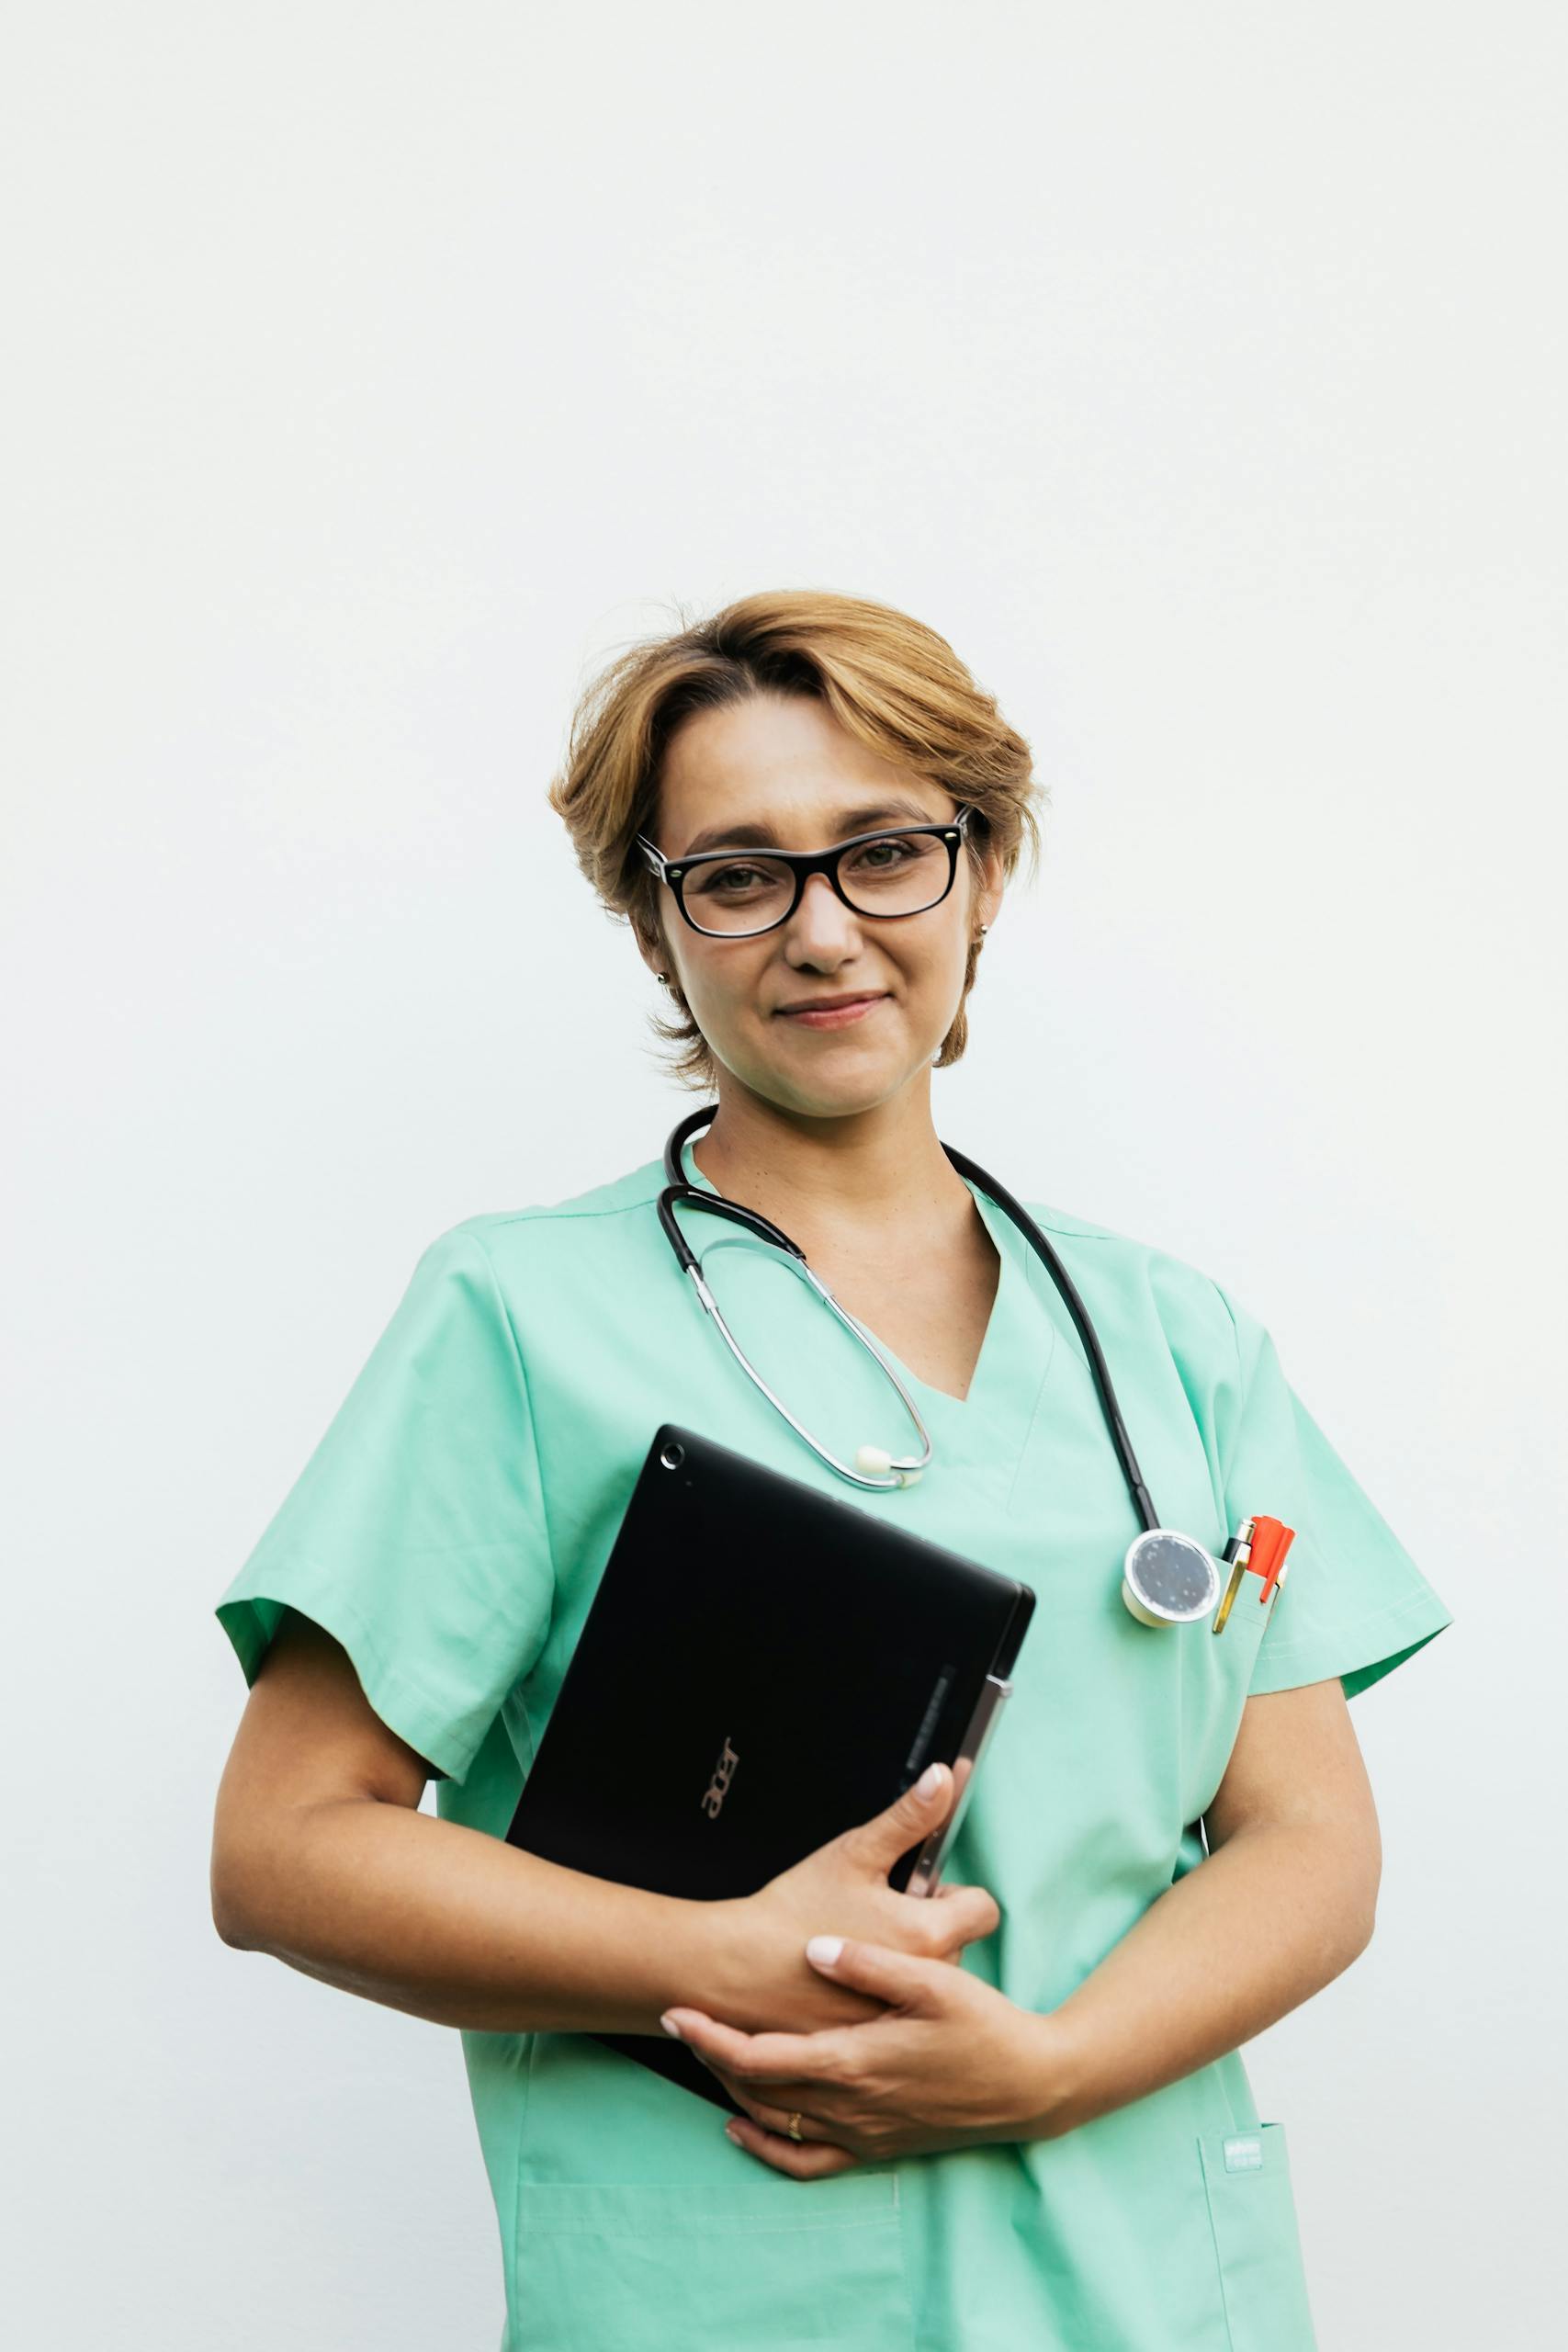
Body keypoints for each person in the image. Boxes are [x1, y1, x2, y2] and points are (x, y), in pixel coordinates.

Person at [210, 588, 1452, 2351]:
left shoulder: (1175, 1338)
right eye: (736, 874)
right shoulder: (516, 1314)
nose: (823, 932)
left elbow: (1312, 1837)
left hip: (1154, 2286)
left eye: (885, 853)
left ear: (985, 871)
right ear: (656, 931)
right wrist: (703, 1955)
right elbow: (285, 1849)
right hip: (735, 2280)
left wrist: (1049, 2070)